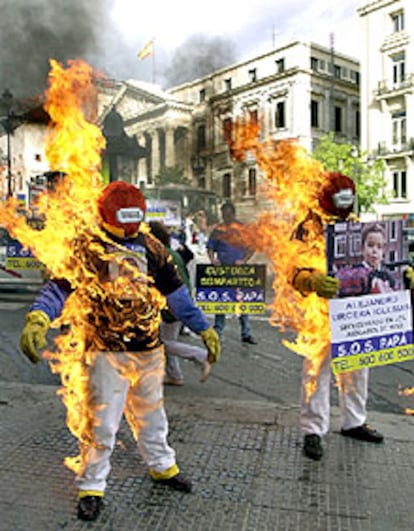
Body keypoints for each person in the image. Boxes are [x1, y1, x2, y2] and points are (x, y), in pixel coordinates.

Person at [20, 181, 221, 522]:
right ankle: (92, 486)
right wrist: (40, 316)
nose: (128, 233)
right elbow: (59, 287)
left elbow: (176, 293)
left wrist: (203, 327)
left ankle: (162, 466)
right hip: (105, 352)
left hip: (148, 350)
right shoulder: (87, 247)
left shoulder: (152, 247)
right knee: (101, 423)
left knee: (152, 415)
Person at [292, 173, 384, 461]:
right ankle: (313, 429)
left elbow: (377, 261)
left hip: (353, 311)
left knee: (357, 367)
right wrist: (310, 280)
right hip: (319, 311)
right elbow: (291, 267)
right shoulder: (308, 227)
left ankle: (354, 421)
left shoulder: (358, 226)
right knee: (316, 372)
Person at [149, 220, 212, 385]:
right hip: (177, 304)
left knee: (159, 343)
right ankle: (175, 375)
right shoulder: (172, 253)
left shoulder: (161, 256)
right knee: (166, 340)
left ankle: (200, 356)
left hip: (171, 306)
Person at [206, 201, 257, 344]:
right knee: (221, 301)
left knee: (242, 301)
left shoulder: (242, 229)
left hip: (238, 271)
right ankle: (218, 332)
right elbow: (210, 247)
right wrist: (213, 259)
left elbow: (251, 247)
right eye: (224, 214)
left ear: (233, 214)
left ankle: (246, 333)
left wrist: (244, 260)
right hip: (222, 270)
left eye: (228, 214)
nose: (226, 217)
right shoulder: (217, 231)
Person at [337, 222, 395, 297]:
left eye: (379, 247)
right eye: (370, 245)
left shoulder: (388, 276)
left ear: (383, 251)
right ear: (362, 248)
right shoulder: (353, 272)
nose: (375, 250)